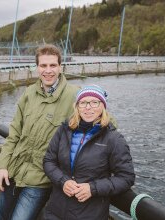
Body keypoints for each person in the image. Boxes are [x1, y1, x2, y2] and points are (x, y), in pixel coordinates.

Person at [0, 44, 79, 220]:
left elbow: (103, 122)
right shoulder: (29, 93)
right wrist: (3, 166)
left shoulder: (75, 96)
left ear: (60, 67)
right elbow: (14, 133)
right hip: (13, 172)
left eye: (53, 65)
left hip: (40, 180)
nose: (48, 71)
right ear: (37, 67)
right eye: (43, 66)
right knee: (0, 217)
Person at [43, 85, 135, 220]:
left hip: (89, 214)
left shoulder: (114, 139)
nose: (88, 107)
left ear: (102, 106)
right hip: (56, 210)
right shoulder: (64, 130)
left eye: (94, 102)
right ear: (77, 106)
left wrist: (92, 188)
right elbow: (48, 161)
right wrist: (63, 181)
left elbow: (126, 177)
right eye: (83, 102)